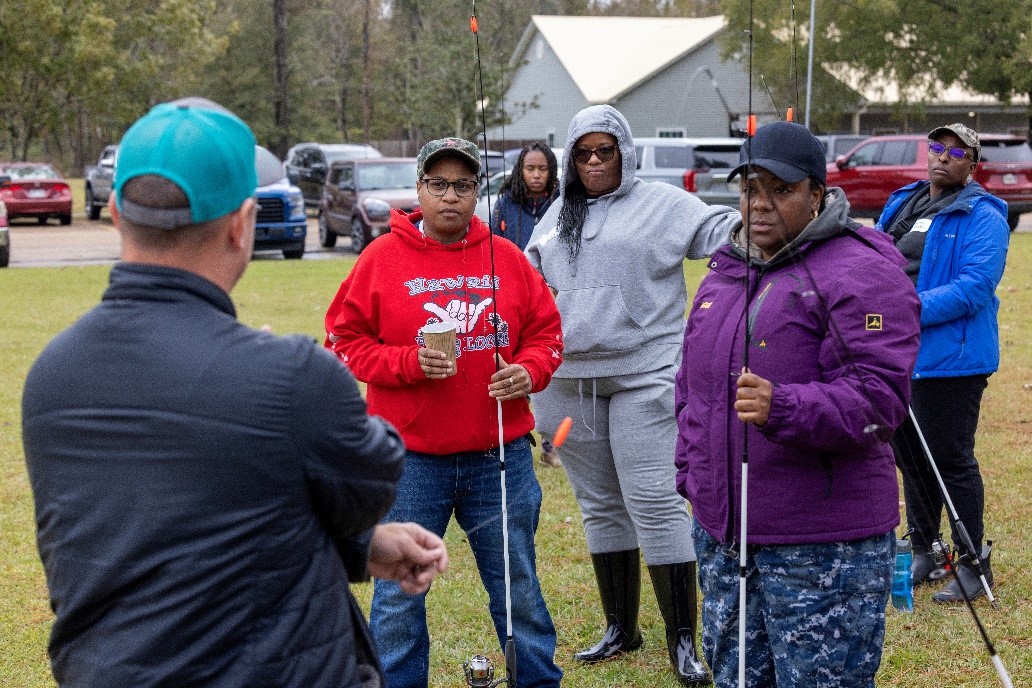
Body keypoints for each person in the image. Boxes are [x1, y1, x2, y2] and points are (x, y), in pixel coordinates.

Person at [21, 98, 448, 688]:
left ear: (116, 213)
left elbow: (173, 527)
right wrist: (287, 380)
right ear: (242, 224)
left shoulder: (51, 376)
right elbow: (370, 483)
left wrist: (360, 549)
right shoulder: (293, 378)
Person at [674, 121, 921, 688]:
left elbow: (880, 400)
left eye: (779, 191)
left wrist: (782, 406)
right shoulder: (726, 270)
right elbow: (691, 389)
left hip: (822, 546)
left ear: (816, 194)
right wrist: (690, 476)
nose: (759, 205)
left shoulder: (860, 271)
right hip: (725, 535)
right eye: (749, 189)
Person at [324, 137, 565, 688]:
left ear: (477, 192)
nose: (451, 196)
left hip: (498, 458)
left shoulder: (505, 257)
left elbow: (548, 336)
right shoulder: (381, 258)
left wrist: (528, 371)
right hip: (410, 462)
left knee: (517, 590)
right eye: (439, 185)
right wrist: (406, 362)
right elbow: (342, 339)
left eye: (463, 186)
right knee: (397, 600)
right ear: (419, 190)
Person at [524, 104, 738, 685]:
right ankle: (621, 626)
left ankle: (684, 642)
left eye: (606, 151)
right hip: (566, 380)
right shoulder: (555, 217)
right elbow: (527, 285)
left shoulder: (664, 205)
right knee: (599, 504)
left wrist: (766, 222)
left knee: (653, 499)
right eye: (584, 153)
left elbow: (722, 232)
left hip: (645, 372)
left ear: (626, 152)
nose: (594, 163)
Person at [876, 123, 1010, 603]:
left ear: (973, 164)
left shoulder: (984, 214)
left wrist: (905, 310)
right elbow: (875, 258)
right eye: (938, 147)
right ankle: (925, 548)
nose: (944, 156)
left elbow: (975, 287)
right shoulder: (903, 202)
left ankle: (974, 563)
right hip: (897, 353)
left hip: (951, 358)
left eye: (957, 152)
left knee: (950, 458)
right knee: (909, 457)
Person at [490, 142, 563, 467]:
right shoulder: (505, 204)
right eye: (530, 168)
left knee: (545, 368)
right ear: (520, 171)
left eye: (542, 168)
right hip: (511, 299)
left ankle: (550, 445)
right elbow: (492, 247)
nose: (536, 175)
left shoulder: (562, 204)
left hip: (553, 296)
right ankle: (513, 433)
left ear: (551, 171)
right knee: (513, 366)